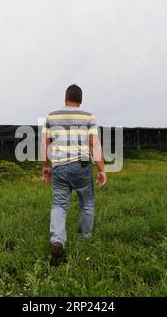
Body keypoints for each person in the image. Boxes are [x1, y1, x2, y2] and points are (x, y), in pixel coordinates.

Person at [42, 84, 107, 266]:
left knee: (59, 205)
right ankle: (83, 239)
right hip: (81, 166)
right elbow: (94, 144)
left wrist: (45, 166)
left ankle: (57, 241)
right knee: (87, 203)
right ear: (80, 101)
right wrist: (101, 169)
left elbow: (45, 143)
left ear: (65, 98)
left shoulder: (51, 117)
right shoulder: (88, 117)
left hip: (59, 167)